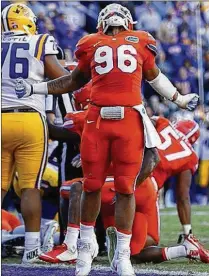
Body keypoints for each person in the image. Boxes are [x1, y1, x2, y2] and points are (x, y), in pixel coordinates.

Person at [15, 3, 199, 275]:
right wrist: (179, 99)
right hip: (126, 121)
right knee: (120, 188)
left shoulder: (91, 42)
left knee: (94, 186)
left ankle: (89, 252)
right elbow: (155, 78)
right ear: (128, 23)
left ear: (102, 22)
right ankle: (112, 254)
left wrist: (34, 87)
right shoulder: (139, 41)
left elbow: (70, 81)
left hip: (98, 120)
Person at [1, 3, 70, 264]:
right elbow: (61, 78)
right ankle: (31, 249)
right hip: (30, 118)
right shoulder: (40, 41)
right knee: (30, 188)